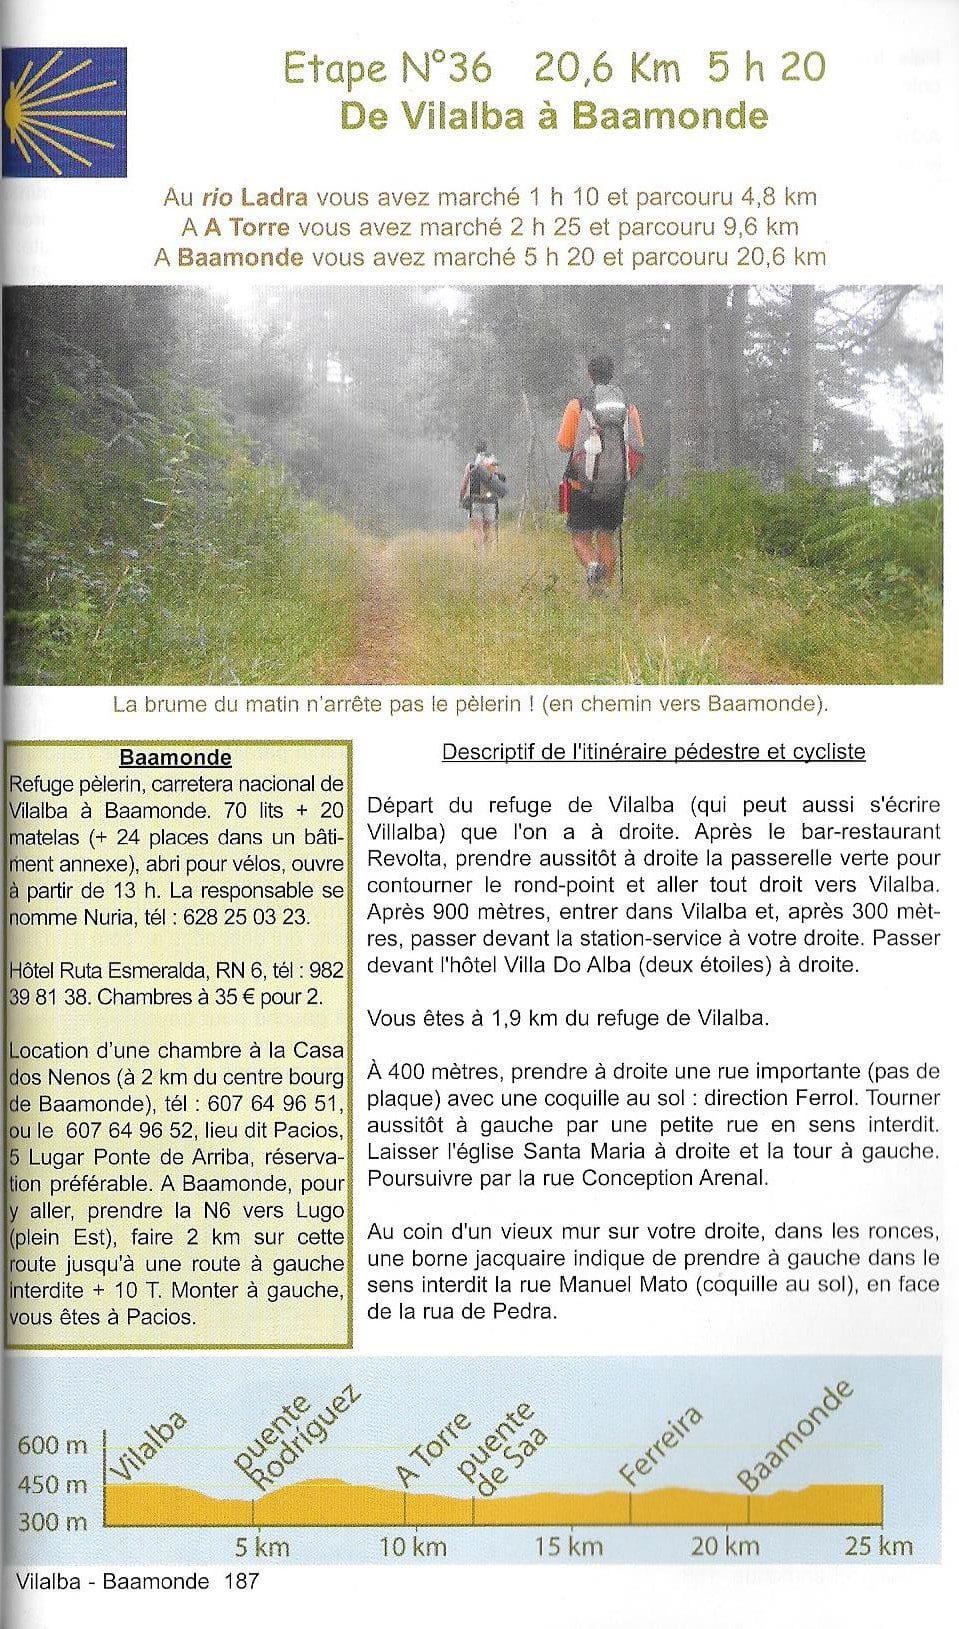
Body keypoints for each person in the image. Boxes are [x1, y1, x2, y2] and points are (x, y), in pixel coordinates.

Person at [557, 355, 644, 594]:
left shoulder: (578, 405)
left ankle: (593, 567)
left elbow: (564, 444)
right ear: (612, 374)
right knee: (606, 536)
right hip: (615, 486)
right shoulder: (629, 407)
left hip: (580, 486)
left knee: (581, 538)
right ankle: (602, 591)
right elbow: (638, 445)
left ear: (589, 375)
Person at [460, 441, 506, 555]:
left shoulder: (471, 465)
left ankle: (480, 557)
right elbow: (498, 482)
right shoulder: (493, 464)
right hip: (490, 502)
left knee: (477, 529)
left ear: (476, 451)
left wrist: (461, 499)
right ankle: (488, 555)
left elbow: (464, 484)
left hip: (476, 501)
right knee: (488, 529)